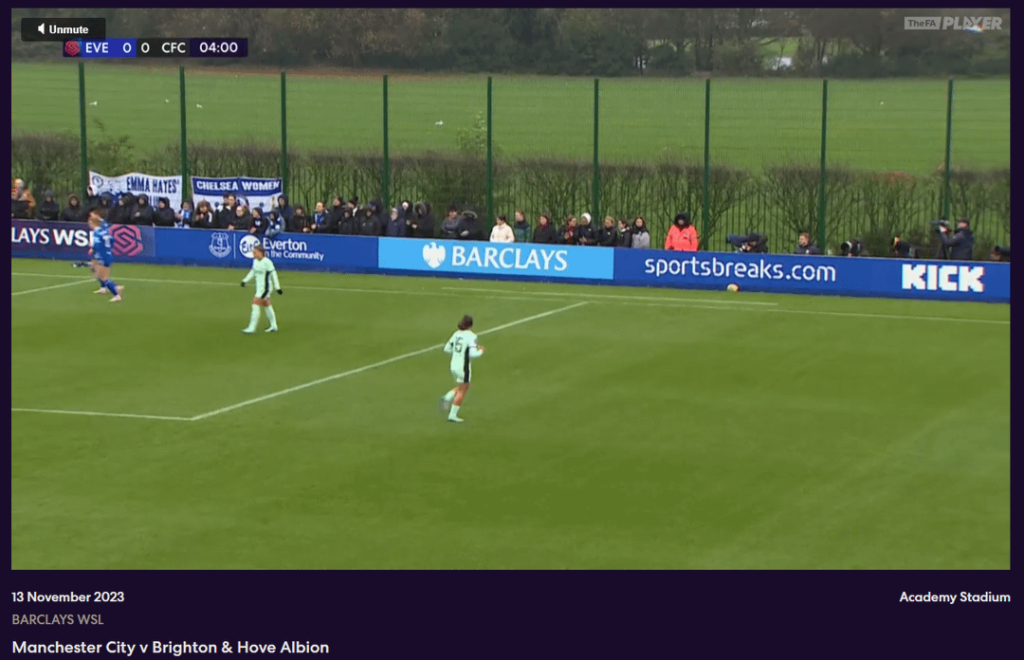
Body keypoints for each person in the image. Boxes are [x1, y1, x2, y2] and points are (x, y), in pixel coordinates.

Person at [440, 314, 484, 423]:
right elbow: (474, 354)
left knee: (461, 386)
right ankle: (452, 415)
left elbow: (446, 349)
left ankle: (447, 397)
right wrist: (481, 350)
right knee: (464, 389)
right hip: (463, 366)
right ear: (471, 325)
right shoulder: (471, 336)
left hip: (453, 364)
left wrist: (457, 353)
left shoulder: (456, 334)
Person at [240, 243, 282, 334]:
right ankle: (274, 326)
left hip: (265, 289)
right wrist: (245, 280)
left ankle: (252, 327)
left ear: (261, 252)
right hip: (259, 288)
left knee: (255, 303)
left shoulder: (267, 262)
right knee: (267, 305)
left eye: (255, 253)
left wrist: (277, 287)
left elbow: (273, 275)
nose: (254, 255)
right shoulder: (255, 261)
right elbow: (253, 272)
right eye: (253, 253)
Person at [87, 211, 124, 303]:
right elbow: (112, 240)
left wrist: (92, 246)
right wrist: (107, 248)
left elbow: (97, 246)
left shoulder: (97, 233)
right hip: (107, 255)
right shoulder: (103, 232)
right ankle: (111, 288)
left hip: (102, 256)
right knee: (100, 275)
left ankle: (116, 294)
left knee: (103, 277)